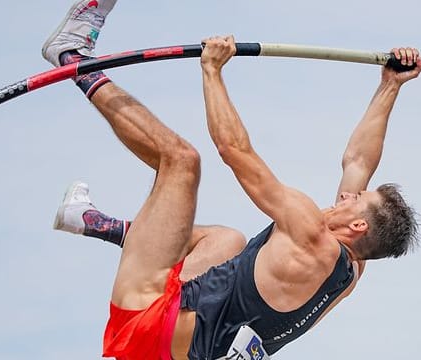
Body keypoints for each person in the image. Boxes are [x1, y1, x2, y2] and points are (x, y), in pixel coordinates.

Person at [43, 1, 420, 359]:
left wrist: (212, 71)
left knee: (181, 161)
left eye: (355, 200)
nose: (345, 197)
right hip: (171, 349)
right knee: (226, 240)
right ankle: (97, 223)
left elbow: (234, 150)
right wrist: (390, 86)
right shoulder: (350, 272)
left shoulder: (310, 232)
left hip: (149, 319)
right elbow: (358, 160)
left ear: (356, 225)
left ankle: (71, 54)